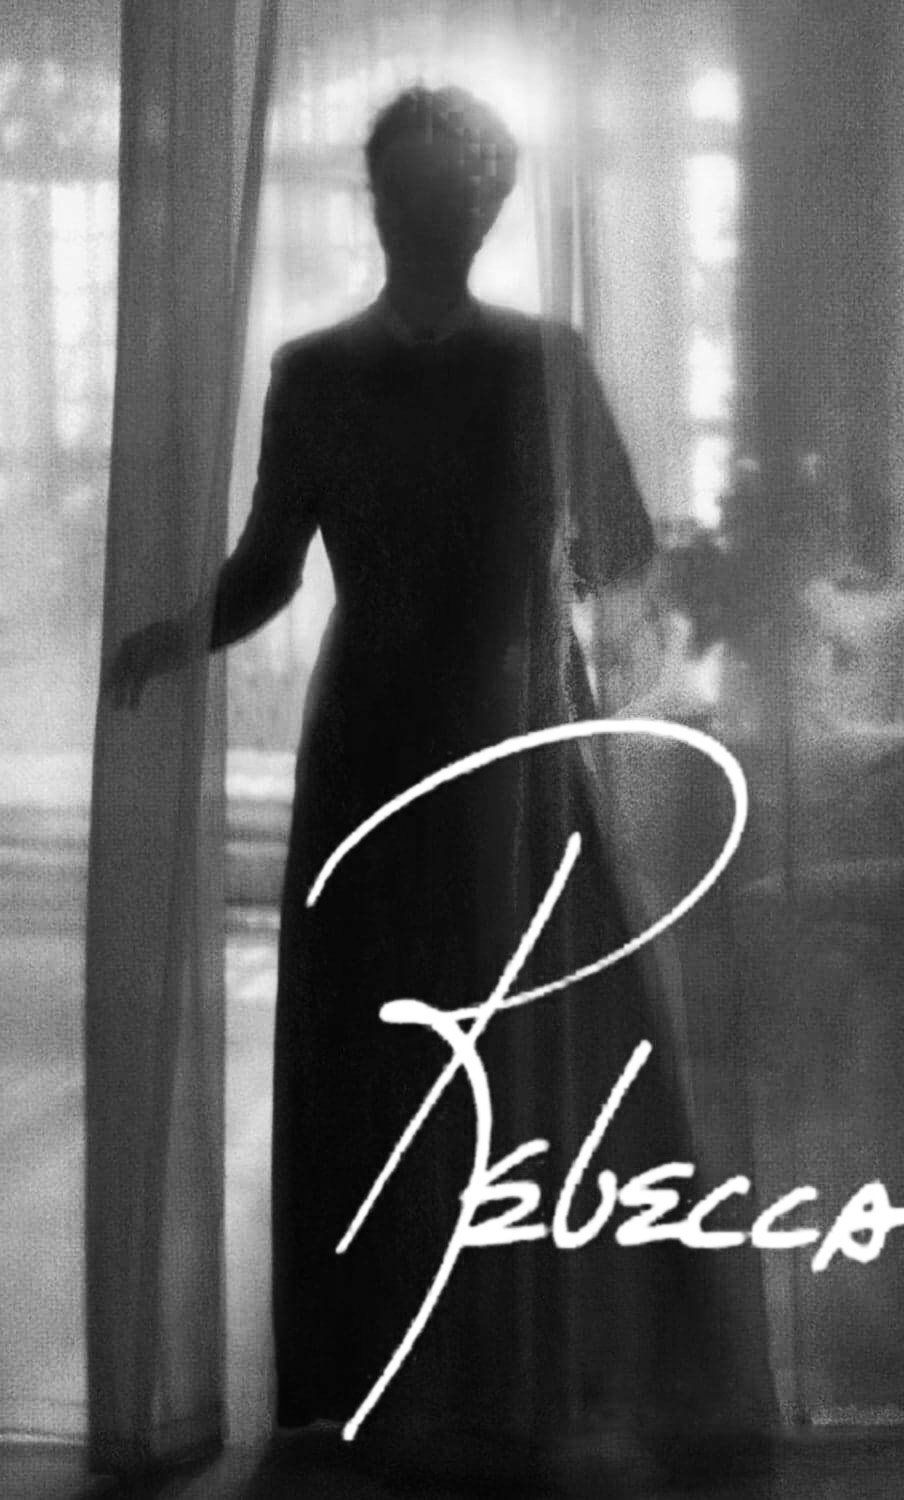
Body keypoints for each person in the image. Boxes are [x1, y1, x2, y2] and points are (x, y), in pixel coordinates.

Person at [108, 85, 776, 1492]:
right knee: (386, 1045)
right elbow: (272, 565)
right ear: (381, 205)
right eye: (410, 195)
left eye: (451, 196)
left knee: (533, 1033)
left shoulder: (534, 362)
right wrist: (181, 634)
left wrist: (555, 594)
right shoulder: (323, 371)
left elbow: (619, 543)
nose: (430, 219)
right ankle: (395, 1365)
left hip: (504, 744)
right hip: (380, 744)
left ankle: (525, 1366)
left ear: (486, 208)